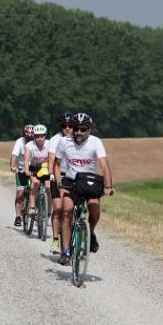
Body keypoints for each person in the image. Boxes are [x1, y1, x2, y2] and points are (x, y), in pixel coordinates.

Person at [53, 113, 114, 266]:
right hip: (71, 181)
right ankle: (65, 251)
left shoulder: (95, 142)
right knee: (66, 211)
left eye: (83, 129)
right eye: (76, 129)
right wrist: (59, 182)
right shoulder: (64, 142)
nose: (79, 132)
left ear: (89, 129)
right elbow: (56, 164)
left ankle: (90, 232)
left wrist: (108, 187)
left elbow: (104, 165)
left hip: (89, 181)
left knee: (94, 209)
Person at [47, 112, 74, 253]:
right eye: (64, 126)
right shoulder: (55, 140)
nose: (67, 128)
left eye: (70, 126)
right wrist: (51, 175)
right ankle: (56, 240)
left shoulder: (77, 139)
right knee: (58, 209)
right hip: (59, 176)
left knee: (70, 210)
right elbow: (52, 159)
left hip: (73, 177)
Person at [24, 124, 52, 218]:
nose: (39, 138)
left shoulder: (50, 144)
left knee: (48, 187)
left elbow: (53, 158)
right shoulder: (29, 145)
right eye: (37, 136)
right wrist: (27, 170)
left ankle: (49, 211)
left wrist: (52, 172)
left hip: (45, 167)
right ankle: (32, 207)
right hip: (34, 167)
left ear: (45, 136)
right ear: (34, 137)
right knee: (35, 183)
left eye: (42, 136)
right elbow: (26, 159)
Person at [10, 124, 35, 226]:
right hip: (21, 170)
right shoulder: (19, 142)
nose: (29, 140)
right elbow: (14, 155)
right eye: (27, 137)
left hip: (33, 170)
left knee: (36, 188)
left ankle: (37, 208)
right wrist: (13, 166)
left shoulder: (37, 142)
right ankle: (18, 216)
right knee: (20, 193)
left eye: (31, 138)